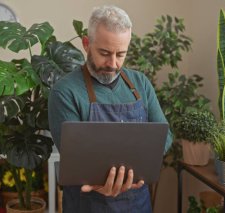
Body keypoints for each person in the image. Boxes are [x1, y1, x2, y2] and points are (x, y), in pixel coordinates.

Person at [48, 5, 173, 213]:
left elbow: (165, 135)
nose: (113, 63)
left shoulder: (140, 83)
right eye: (105, 53)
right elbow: (75, 158)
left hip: (138, 204)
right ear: (86, 44)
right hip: (87, 204)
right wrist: (103, 180)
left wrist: (134, 170)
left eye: (121, 54)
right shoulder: (65, 92)